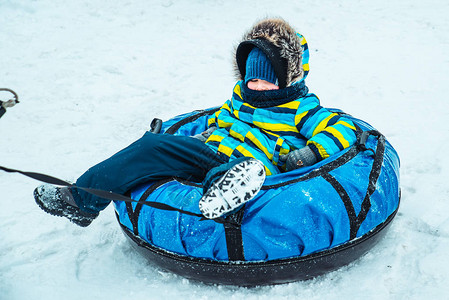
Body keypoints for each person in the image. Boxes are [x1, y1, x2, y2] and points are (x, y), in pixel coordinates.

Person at [34, 18, 357, 227]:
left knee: (230, 172)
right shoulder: (239, 99)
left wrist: (311, 153)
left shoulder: (301, 107)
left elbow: (344, 129)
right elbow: (217, 121)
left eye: (268, 79)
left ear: (288, 78)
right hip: (211, 154)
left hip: (253, 167)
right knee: (151, 147)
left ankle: (230, 195)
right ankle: (80, 199)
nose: (257, 86)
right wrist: (197, 138)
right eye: (252, 78)